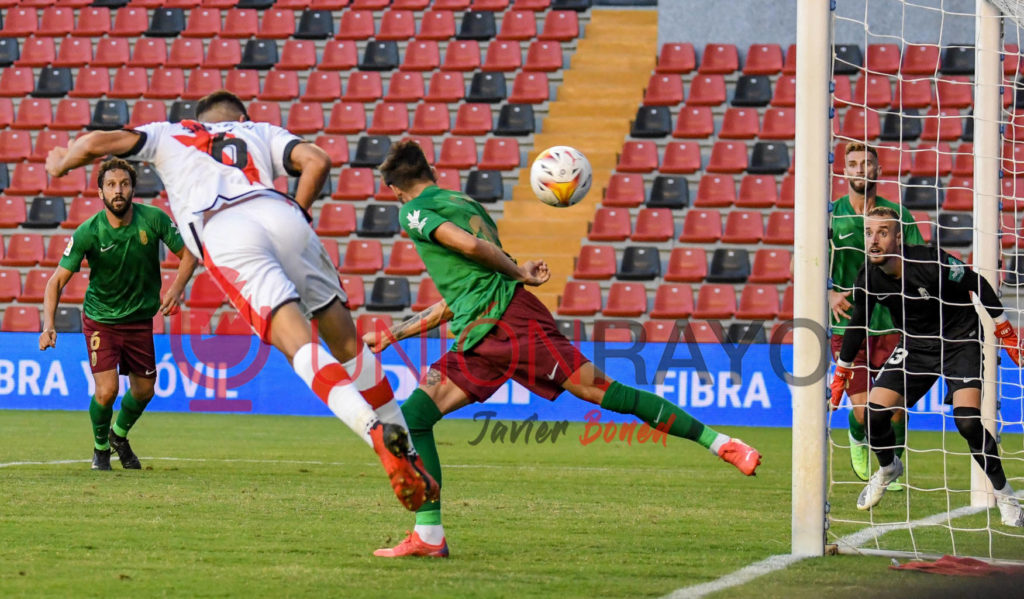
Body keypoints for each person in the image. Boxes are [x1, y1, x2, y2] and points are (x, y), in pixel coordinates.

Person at [365, 141, 763, 558]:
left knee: (600, 391)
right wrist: (395, 334)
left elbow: (468, 247)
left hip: (509, 322)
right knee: (414, 417)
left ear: (394, 189)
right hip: (478, 331)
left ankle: (722, 443)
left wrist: (518, 271)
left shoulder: (412, 211)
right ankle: (429, 536)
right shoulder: (462, 201)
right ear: (431, 171)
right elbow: (465, 288)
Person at [44, 90, 437, 511]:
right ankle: (405, 445)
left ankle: (374, 432)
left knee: (300, 344)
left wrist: (64, 160)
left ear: (199, 119)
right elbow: (318, 161)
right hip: (283, 214)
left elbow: (96, 143)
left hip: (227, 229)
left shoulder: (171, 133)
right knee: (347, 346)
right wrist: (297, 217)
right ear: (240, 117)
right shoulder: (260, 131)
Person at [830, 207, 1024, 525]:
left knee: (968, 423)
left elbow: (976, 281)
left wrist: (1005, 330)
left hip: (959, 339)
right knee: (873, 413)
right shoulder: (869, 275)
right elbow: (857, 324)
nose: (874, 240)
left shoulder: (928, 262)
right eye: (868, 233)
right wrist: (842, 370)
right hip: (916, 346)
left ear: (897, 236)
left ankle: (1006, 496)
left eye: (882, 232)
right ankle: (888, 467)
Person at [39, 158, 197, 471]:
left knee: (144, 391)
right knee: (107, 390)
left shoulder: (153, 219)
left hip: (139, 321)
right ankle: (100, 450)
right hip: (102, 320)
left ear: (133, 189)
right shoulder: (89, 231)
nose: (118, 190)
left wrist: (177, 288)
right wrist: (48, 325)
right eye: (111, 185)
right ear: (100, 193)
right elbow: (56, 280)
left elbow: (190, 254)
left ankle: (118, 436)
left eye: (124, 184)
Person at [830, 142, 924, 488]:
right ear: (844, 170)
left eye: (866, 164)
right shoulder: (831, 214)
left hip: (893, 324)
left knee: (894, 409)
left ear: (877, 171)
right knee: (864, 413)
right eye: (852, 164)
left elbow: (919, 260)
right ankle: (857, 434)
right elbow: (802, 262)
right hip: (848, 324)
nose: (859, 169)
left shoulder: (896, 215)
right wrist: (827, 292)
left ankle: (892, 465)